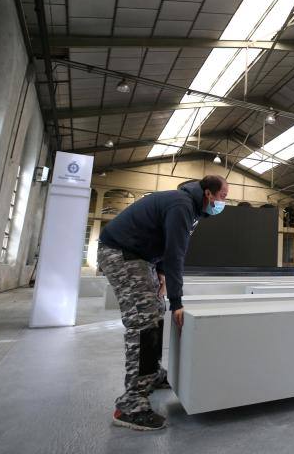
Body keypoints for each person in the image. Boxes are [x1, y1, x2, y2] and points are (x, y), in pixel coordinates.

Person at [97, 175, 229, 430]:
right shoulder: (182, 205)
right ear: (209, 194)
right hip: (120, 252)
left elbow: (159, 239)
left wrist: (159, 273)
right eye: (223, 196)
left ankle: (152, 374)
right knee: (144, 320)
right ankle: (130, 405)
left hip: (140, 256)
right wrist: (177, 301)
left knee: (155, 308)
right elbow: (175, 253)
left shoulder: (190, 208)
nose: (224, 202)